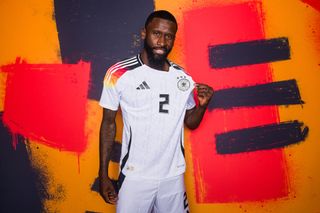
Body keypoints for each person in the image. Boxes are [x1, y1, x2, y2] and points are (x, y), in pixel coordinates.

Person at [99, 10, 213, 213]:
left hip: (173, 176)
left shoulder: (182, 77)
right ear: (144, 33)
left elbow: (191, 122)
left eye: (169, 36)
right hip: (135, 176)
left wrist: (202, 106)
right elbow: (108, 123)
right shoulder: (119, 73)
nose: (162, 41)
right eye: (156, 33)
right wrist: (104, 174)